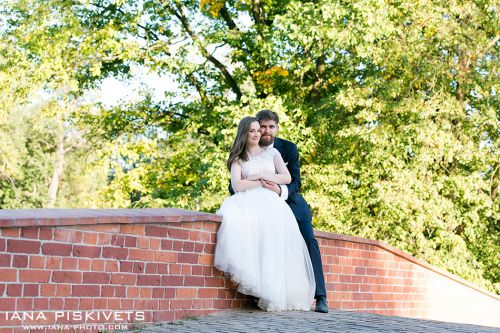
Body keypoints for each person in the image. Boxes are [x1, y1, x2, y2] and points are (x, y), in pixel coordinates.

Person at [214, 116, 316, 311]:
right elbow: (237, 186)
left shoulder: (273, 153)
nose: (256, 134)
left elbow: (286, 177)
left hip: (273, 204)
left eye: (257, 130)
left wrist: (261, 175)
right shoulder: (238, 157)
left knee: (275, 247)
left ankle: (276, 293)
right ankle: (260, 289)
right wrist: (260, 183)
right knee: (252, 238)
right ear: (244, 133)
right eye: (252, 130)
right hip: (248, 202)